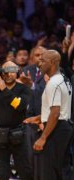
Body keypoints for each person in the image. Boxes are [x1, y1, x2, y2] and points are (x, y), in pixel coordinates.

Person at [0, 61, 33, 180]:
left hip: (19, 135)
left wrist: (4, 90)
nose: (9, 74)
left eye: (12, 70)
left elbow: (19, 105)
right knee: (1, 173)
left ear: (17, 72)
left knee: (25, 170)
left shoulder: (24, 89)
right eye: (6, 70)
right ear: (1, 73)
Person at [24, 50, 73, 180]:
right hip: (64, 127)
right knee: (61, 169)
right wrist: (39, 117)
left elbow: (56, 113)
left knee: (49, 172)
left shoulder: (53, 83)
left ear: (52, 62)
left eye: (43, 60)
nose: (39, 63)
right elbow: (61, 109)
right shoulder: (63, 79)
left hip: (56, 130)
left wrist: (43, 137)